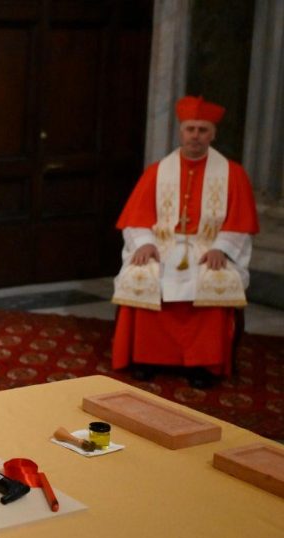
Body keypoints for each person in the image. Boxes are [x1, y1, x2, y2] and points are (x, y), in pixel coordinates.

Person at [111, 95, 259, 388]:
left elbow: (241, 222)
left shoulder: (234, 174)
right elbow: (136, 217)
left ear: (213, 134)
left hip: (209, 247)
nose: (196, 136)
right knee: (143, 273)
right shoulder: (157, 171)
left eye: (203, 130)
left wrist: (222, 249)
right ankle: (146, 359)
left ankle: (202, 364)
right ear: (181, 131)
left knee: (214, 280)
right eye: (190, 129)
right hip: (162, 244)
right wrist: (144, 243)